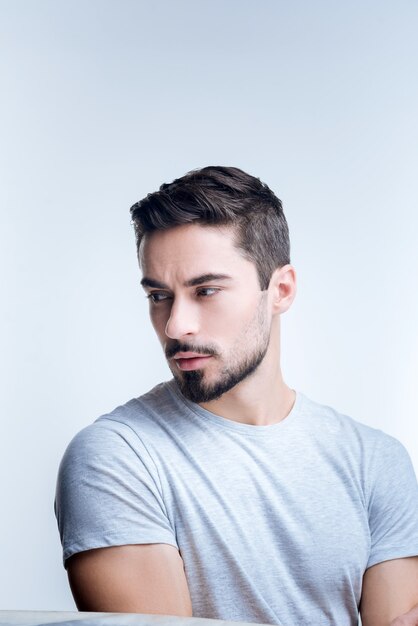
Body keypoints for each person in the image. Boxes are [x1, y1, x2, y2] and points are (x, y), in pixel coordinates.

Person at [55, 166, 418, 626]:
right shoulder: (116, 456)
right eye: (158, 296)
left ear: (280, 290)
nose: (175, 325)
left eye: (206, 291)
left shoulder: (375, 461)